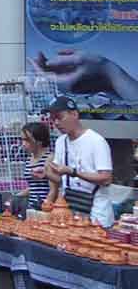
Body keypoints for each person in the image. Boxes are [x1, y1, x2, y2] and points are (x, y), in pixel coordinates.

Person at [44, 96, 114, 226]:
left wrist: (73, 172)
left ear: (74, 114)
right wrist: (47, 173)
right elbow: (63, 181)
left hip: (97, 214)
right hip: (70, 209)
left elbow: (106, 179)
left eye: (60, 117)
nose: (56, 123)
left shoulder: (96, 141)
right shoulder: (61, 142)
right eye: (53, 119)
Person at [17, 121, 51, 212]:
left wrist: (46, 207)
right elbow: (34, 187)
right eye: (22, 139)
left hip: (46, 208)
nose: (23, 143)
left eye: (27, 140)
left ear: (39, 140)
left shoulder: (49, 158)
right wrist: (17, 196)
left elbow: (54, 189)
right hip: (32, 208)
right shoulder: (29, 158)